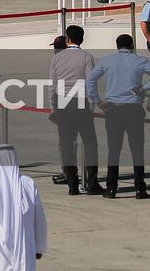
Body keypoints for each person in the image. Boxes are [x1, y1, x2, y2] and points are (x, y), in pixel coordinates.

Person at [87, 33, 150, 199]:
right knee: (137, 149)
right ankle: (140, 188)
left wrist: (97, 100)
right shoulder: (140, 60)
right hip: (133, 108)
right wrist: (143, 89)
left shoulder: (107, 61)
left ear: (117, 46)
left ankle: (111, 188)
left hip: (113, 109)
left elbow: (90, 80)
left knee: (114, 150)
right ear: (131, 45)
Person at [48, 24, 103, 196]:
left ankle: (72, 183)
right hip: (80, 101)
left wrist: (53, 107)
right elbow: (90, 83)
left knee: (66, 143)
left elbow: (52, 85)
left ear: (67, 39)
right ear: (82, 39)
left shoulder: (57, 58)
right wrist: (91, 106)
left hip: (62, 100)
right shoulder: (86, 56)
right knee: (90, 142)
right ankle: (92, 182)